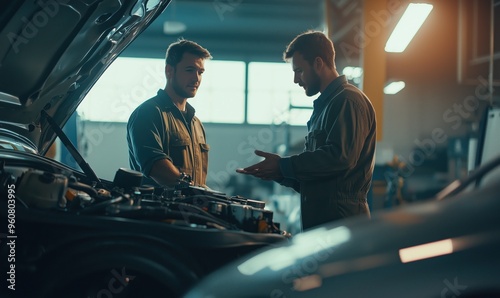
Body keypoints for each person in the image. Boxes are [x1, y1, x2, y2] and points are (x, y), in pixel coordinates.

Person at [237, 31, 376, 230]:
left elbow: (339, 158)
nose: (296, 79)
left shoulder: (347, 101)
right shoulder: (324, 108)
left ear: (318, 63)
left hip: (342, 222)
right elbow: (318, 179)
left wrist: (283, 165)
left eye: (299, 70)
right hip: (324, 221)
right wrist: (279, 174)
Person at [127, 39, 212, 187]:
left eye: (200, 72)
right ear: (169, 71)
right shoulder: (148, 113)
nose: (196, 78)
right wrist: (194, 191)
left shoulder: (196, 123)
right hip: (157, 210)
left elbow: (199, 181)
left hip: (193, 209)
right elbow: (156, 167)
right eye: (189, 70)